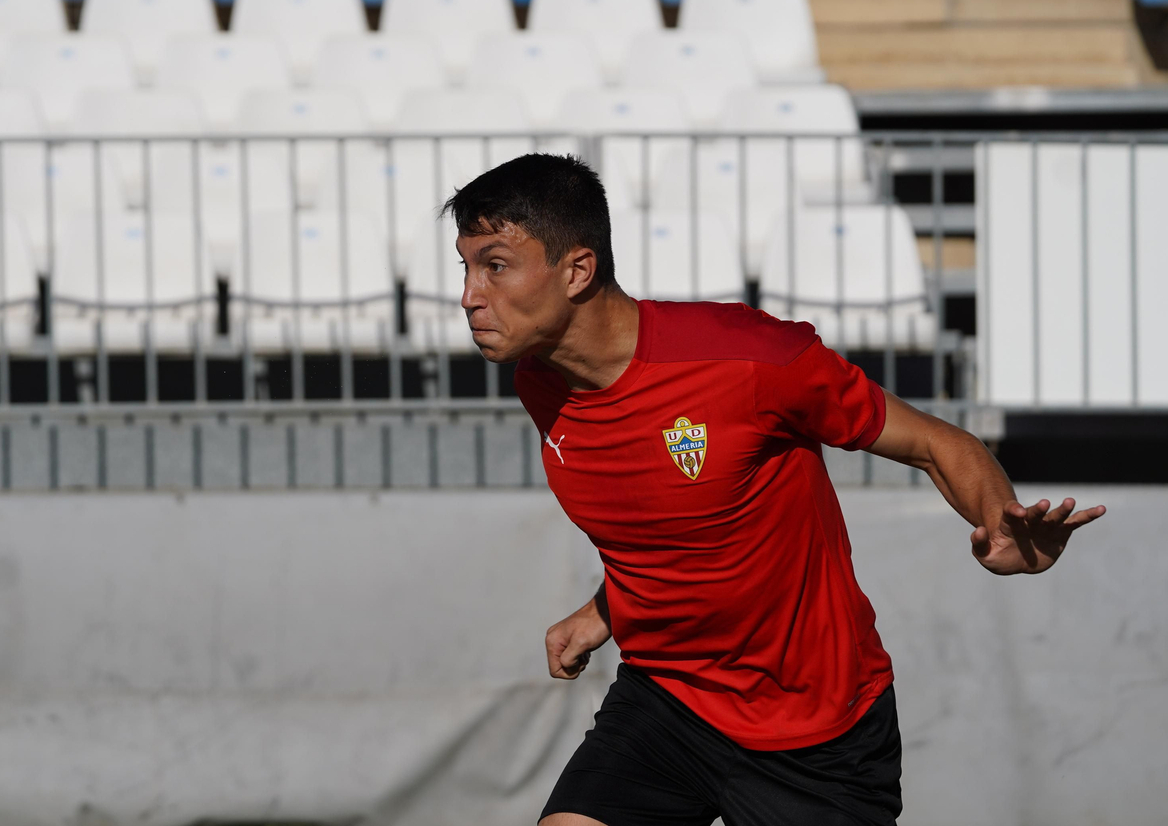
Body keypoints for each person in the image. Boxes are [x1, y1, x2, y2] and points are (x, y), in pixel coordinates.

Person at [443, 153, 1106, 826]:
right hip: (667, 703)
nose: (469, 294)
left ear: (577, 270)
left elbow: (936, 442)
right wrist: (605, 611)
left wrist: (1002, 518)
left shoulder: (751, 359)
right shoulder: (540, 380)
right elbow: (674, 520)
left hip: (816, 731)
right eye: (465, 268)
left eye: (494, 266)